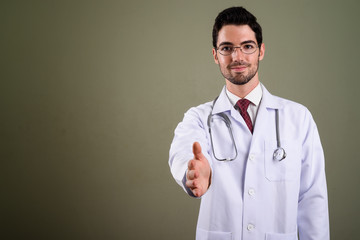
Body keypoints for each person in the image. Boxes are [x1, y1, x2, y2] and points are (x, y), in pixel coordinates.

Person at [169, 6, 329, 240]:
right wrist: (191, 173)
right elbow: (183, 152)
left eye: (247, 46)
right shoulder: (199, 118)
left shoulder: (298, 117)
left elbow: (312, 198)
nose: (237, 57)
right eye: (226, 48)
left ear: (261, 51)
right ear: (215, 55)